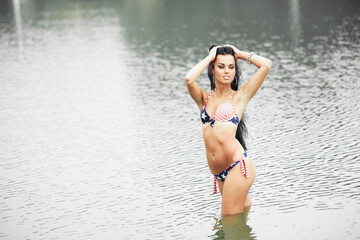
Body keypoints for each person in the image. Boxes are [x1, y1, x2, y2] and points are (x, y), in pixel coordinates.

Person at [185, 44, 272, 215]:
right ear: (212, 69)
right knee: (239, 222)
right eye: (221, 66)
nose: (227, 71)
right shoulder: (203, 98)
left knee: (229, 222)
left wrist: (239, 54)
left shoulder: (239, 97)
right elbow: (189, 79)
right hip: (220, 174)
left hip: (237, 167)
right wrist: (210, 56)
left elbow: (266, 64)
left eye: (231, 67)